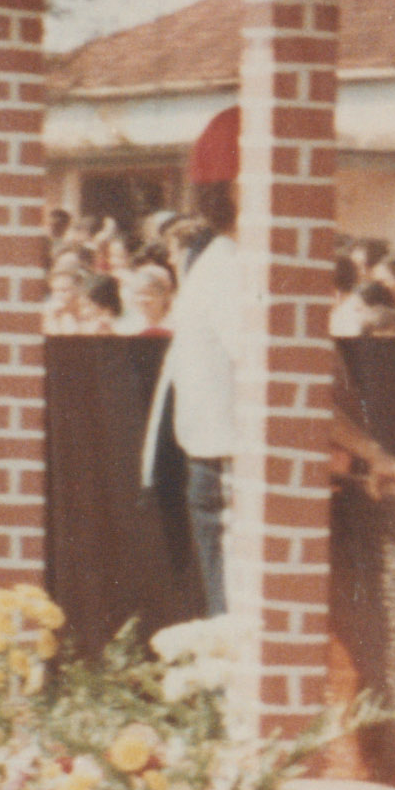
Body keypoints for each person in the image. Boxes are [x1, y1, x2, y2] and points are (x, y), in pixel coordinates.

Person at [144, 109, 244, 619]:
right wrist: (370, 451)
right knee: (239, 629)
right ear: (239, 190)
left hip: (229, 465)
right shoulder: (229, 268)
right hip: (228, 468)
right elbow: (272, 381)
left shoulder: (225, 262)